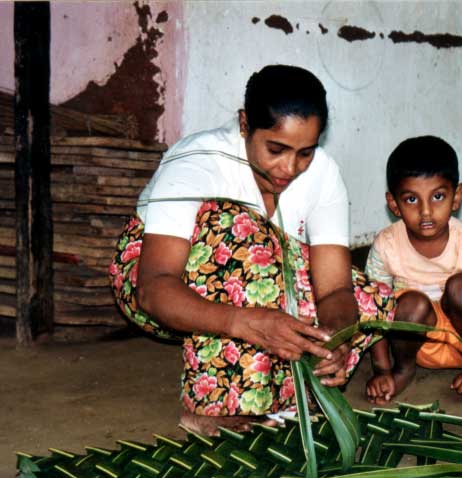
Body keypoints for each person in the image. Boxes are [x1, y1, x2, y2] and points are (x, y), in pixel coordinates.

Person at [109, 65, 394, 435]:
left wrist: (335, 338)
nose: (289, 167)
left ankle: (287, 389)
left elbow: (335, 288)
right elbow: (153, 287)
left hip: (260, 279)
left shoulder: (323, 174)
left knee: (372, 301)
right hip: (159, 285)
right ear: (245, 124)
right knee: (240, 228)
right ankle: (213, 409)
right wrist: (245, 323)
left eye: (305, 152)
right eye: (276, 149)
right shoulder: (198, 160)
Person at [364, 135, 462, 409]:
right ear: (394, 204)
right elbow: (373, 311)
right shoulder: (386, 245)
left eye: (438, 196)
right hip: (420, 347)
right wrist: (382, 370)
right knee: (409, 303)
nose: (426, 211)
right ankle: (403, 372)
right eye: (411, 199)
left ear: (456, 197)